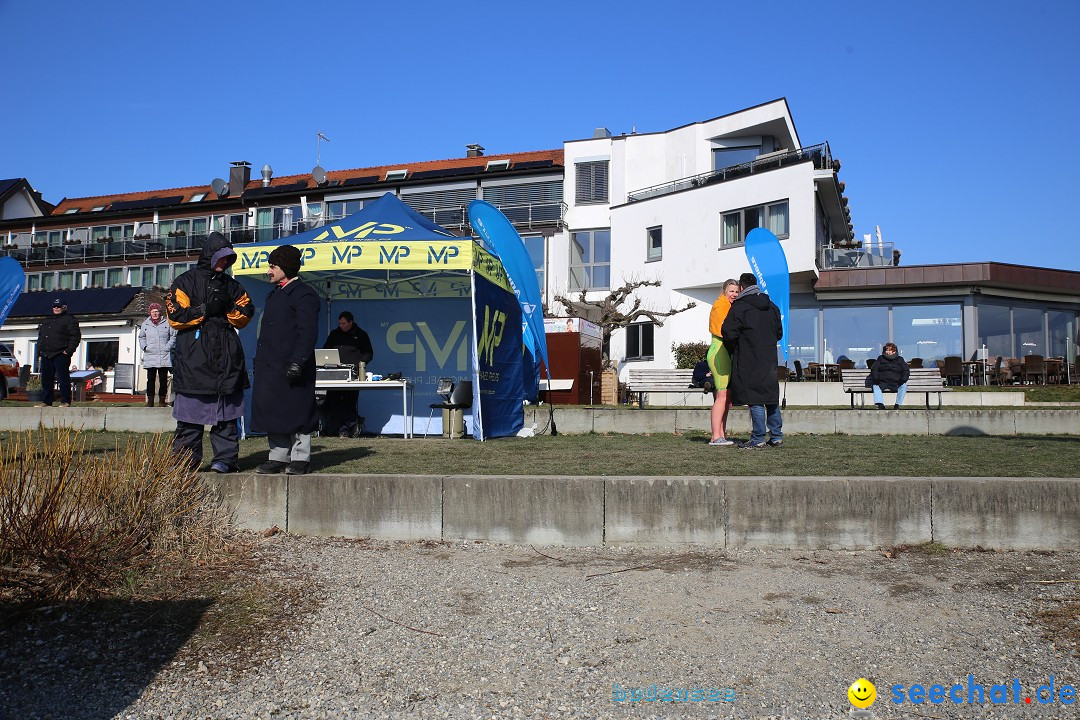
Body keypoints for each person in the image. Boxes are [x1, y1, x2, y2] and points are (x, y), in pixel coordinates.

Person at [166, 232, 254, 473]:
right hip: (194, 361)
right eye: (222, 258)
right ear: (210, 256)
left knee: (226, 419)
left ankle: (225, 460)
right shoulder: (184, 282)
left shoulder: (233, 286)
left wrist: (227, 306)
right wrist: (205, 309)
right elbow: (175, 317)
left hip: (227, 361)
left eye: (228, 259)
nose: (225, 263)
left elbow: (245, 315)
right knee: (189, 421)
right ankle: (184, 463)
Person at [251, 245, 320, 475]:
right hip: (271, 366)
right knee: (274, 411)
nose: (269, 271)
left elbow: (307, 332)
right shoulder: (274, 295)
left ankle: (301, 458)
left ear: (286, 268)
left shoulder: (304, 294)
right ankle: (278, 457)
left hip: (293, 365)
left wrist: (297, 361)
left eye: (273, 266)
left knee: (298, 411)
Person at [722, 272, 784, 449]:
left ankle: (758, 438)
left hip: (749, 358)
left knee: (755, 397)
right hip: (770, 358)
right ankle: (776, 436)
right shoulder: (772, 307)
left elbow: (728, 332)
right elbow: (779, 334)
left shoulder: (739, 307)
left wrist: (736, 347)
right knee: (771, 397)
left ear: (741, 287)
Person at [321, 310, 374, 437]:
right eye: (340, 323)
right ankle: (354, 422)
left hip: (353, 374)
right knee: (332, 400)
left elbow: (369, 353)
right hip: (334, 373)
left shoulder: (361, 334)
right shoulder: (334, 334)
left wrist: (360, 363)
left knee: (349, 402)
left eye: (344, 323)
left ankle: (345, 431)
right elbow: (325, 350)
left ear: (351, 322)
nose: (341, 326)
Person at [707, 279, 740, 446]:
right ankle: (715, 436)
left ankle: (720, 435)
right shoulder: (721, 305)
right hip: (720, 351)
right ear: (724, 291)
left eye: (736, 291)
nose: (734, 294)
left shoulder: (727, 305)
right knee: (721, 396)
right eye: (731, 291)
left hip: (723, 352)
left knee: (726, 397)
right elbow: (722, 331)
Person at [35, 298, 81, 407]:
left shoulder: (70, 320)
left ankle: (65, 401)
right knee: (46, 379)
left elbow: (75, 337)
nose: (56, 308)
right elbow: (41, 336)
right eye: (54, 306)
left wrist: (68, 351)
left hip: (61, 353)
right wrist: (39, 350)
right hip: (46, 353)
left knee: (63, 378)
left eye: (59, 306)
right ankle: (46, 401)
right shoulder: (47, 320)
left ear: (64, 307)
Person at [139, 302, 177, 407]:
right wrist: (145, 347)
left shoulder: (167, 323)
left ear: (160, 312)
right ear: (150, 313)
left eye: (157, 311)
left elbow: (173, 336)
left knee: (163, 379)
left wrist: (168, 347)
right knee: (150, 380)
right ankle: (150, 400)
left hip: (163, 355)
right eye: (153, 311)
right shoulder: (145, 324)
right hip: (150, 355)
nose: (155, 313)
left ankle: (162, 401)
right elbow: (141, 337)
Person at [866, 342, 909, 410]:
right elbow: (874, 369)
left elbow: (906, 370)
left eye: (891, 350)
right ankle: (880, 404)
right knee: (875, 386)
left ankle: (898, 405)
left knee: (903, 386)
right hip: (882, 381)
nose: (889, 352)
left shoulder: (900, 359)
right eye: (887, 350)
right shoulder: (880, 358)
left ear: (894, 351)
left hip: (896, 382)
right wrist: (876, 379)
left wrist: (903, 380)